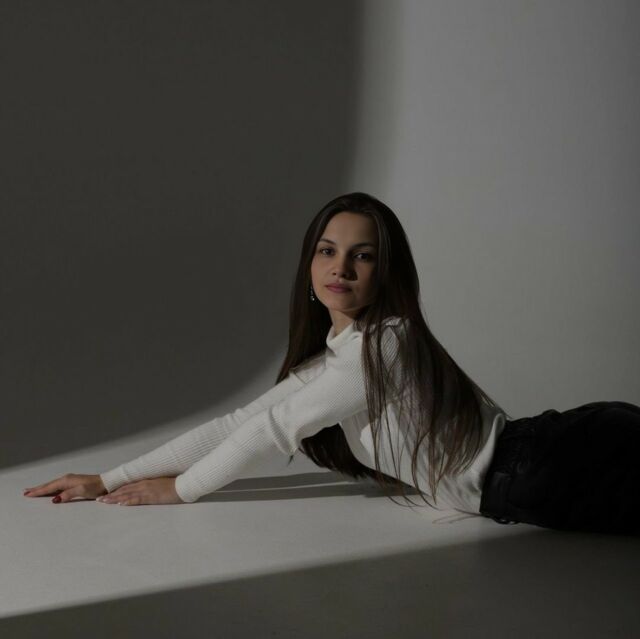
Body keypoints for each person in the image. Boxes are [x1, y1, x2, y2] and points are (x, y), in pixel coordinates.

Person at [23, 192, 640, 535]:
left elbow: (270, 434)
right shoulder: (337, 359)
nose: (340, 267)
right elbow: (236, 423)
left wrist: (180, 491)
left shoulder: (386, 345)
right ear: (310, 268)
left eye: (362, 255)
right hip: (535, 470)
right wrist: (108, 478)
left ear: (385, 272)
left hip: (552, 463)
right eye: (327, 251)